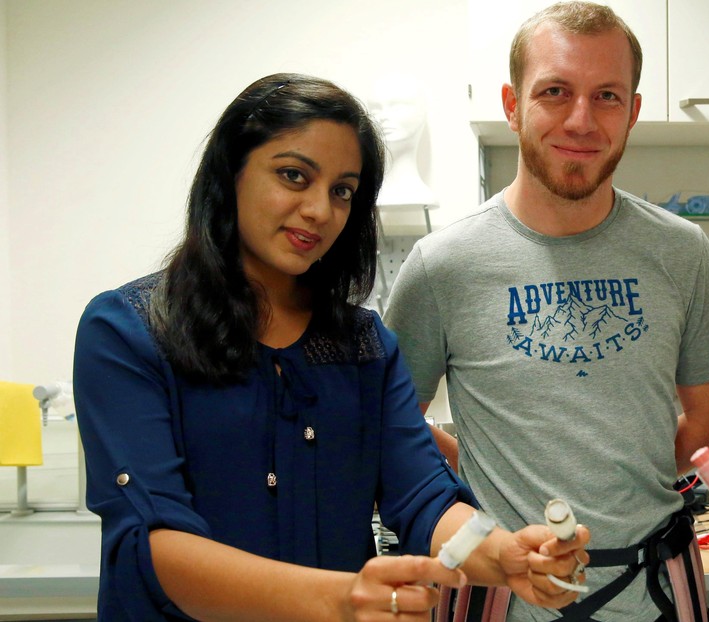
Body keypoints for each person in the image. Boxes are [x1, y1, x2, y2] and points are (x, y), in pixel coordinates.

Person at [72, 73, 590, 621]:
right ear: (230, 174)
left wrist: (501, 555)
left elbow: (425, 499)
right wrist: (340, 599)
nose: (321, 210)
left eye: (342, 191)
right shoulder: (130, 331)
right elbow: (154, 545)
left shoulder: (363, 346)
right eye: (294, 176)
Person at [383, 3, 709, 620]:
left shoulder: (682, 253)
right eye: (555, 91)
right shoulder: (442, 264)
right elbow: (393, 428)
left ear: (632, 111)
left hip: (652, 593)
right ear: (513, 103)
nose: (581, 119)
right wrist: (479, 468)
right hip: (500, 598)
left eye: (606, 95)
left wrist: (626, 476)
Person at [367, 74, 437, 208]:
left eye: (396, 107)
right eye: (376, 109)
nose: (383, 117)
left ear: (422, 111)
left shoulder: (421, 195)